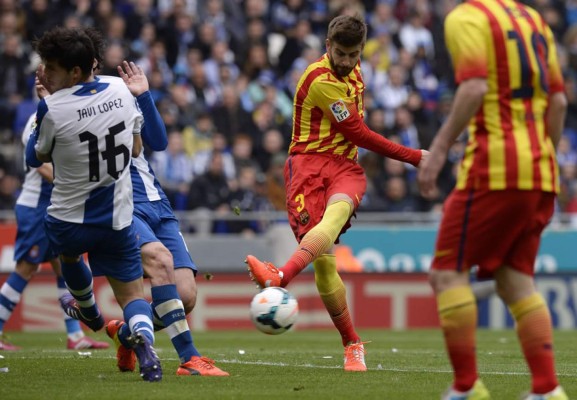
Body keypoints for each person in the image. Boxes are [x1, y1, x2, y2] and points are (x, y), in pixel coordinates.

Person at [245, 14, 428, 372]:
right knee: (325, 266)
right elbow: (359, 133)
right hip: (307, 169)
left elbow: (353, 139)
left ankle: (280, 277)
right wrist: (414, 156)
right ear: (328, 46)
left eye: (354, 54)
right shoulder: (319, 79)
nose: (347, 61)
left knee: (334, 217)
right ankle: (352, 343)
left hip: (344, 168)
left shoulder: (356, 72)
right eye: (341, 53)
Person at [416, 1, 568, 399]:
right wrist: (542, 156)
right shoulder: (534, 20)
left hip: (495, 167)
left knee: (447, 273)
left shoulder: (467, 17)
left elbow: (474, 86)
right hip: (542, 168)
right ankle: (547, 390)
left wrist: (439, 147)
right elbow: (559, 102)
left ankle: (466, 388)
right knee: (515, 280)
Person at [26, 27, 161, 382]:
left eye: (51, 68)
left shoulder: (52, 108)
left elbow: (33, 156)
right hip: (116, 218)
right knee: (133, 295)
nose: (45, 75)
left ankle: (91, 315)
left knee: (69, 258)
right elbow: (136, 149)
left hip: (68, 218)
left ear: (73, 72)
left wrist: (44, 106)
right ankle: (145, 344)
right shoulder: (119, 88)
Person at [105, 60, 228, 377]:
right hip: (123, 207)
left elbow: (158, 142)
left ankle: (130, 334)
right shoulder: (83, 111)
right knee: (160, 263)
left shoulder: (124, 98)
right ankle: (189, 358)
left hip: (157, 203)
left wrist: (143, 95)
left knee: (186, 295)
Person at [0, 99, 109, 352]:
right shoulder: (37, 119)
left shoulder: (69, 113)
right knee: (26, 268)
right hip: (38, 206)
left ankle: (75, 336)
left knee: (65, 267)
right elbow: (40, 166)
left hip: (58, 207)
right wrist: (77, 184)